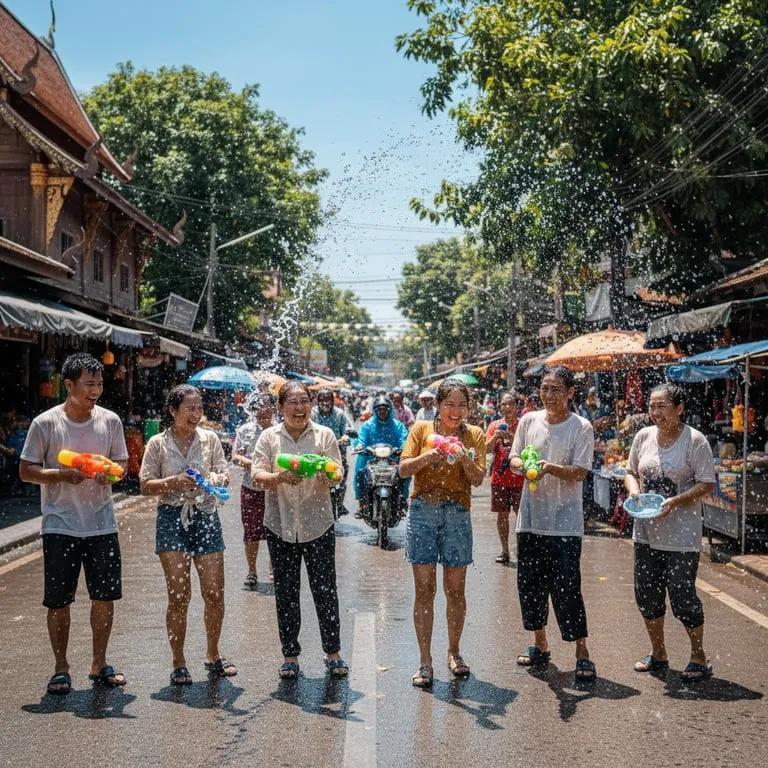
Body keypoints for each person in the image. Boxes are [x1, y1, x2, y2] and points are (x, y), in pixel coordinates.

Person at [19, 353, 128, 696]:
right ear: (69, 385)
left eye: (99, 383)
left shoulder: (110, 421)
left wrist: (108, 471)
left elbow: (122, 466)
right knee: (58, 601)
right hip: (60, 524)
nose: (96, 390)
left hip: (102, 523)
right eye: (89, 384)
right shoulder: (46, 423)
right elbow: (26, 470)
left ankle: (99, 662)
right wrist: (62, 474)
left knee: (105, 597)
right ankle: (60, 668)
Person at [139, 384, 235, 686]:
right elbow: (145, 484)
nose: (196, 414)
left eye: (199, 408)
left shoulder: (210, 440)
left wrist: (218, 478)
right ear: (173, 411)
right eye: (189, 409)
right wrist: (175, 482)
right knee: (179, 595)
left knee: (214, 592)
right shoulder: (157, 443)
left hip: (206, 516)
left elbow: (223, 473)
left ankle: (213, 653)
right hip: (171, 518)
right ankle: (179, 661)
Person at [251, 381, 348, 680]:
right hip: (279, 525)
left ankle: (333, 654)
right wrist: (280, 477)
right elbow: (257, 475)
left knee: (325, 590)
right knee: (286, 592)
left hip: (318, 524)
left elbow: (338, 472)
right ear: (281, 408)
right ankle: (290, 656)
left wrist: (326, 474)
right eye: (292, 402)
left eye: (304, 401)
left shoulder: (324, 435)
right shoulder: (269, 437)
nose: (299, 408)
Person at [509, 366, 597, 681]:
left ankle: (582, 652)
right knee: (530, 586)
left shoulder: (581, 427)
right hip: (530, 519)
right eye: (545, 388)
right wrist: (525, 465)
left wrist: (550, 468)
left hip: (565, 522)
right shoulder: (528, 420)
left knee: (567, 587)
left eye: (556, 389)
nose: (549, 395)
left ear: (570, 392)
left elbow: (581, 471)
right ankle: (540, 644)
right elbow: (514, 458)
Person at [624, 383, 716, 681]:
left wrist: (675, 501)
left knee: (683, 595)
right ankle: (659, 653)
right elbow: (630, 472)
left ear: (679, 408)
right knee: (647, 595)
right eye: (652, 406)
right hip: (646, 533)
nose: (656, 412)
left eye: (662, 406)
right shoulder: (643, 437)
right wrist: (635, 492)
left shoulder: (695, 440)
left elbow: (706, 483)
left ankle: (699, 656)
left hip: (682, 537)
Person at [398, 379, 486, 687]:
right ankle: (425, 660)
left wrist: (463, 456)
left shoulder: (474, 435)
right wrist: (428, 457)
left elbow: (477, 480)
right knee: (424, 590)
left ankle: (454, 651)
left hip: (457, 514)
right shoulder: (421, 431)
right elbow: (403, 469)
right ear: (438, 405)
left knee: (455, 591)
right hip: (422, 511)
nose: (456, 411)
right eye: (449, 404)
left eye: (462, 405)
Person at [232, 392, 276, 589]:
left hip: (275, 489)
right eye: (258, 408)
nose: (261, 412)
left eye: (265, 407)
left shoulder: (280, 431)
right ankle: (251, 570)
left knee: (275, 530)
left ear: (273, 409)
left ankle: (273, 568)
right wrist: (252, 465)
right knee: (251, 531)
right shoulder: (245, 430)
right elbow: (235, 457)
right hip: (251, 488)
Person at [485, 391, 525, 564]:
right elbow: (486, 449)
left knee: (521, 516)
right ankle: (505, 550)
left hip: (520, 479)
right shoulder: (494, 425)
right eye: (503, 404)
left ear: (516, 407)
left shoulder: (523, 425)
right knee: (502, 516)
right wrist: (495, 437)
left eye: (510, 404)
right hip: (499, 479)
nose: (506, 408)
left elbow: (529, 447)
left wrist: (512, 437)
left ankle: (522, 549)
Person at [353, 395, 410, 517]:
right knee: (359, 473)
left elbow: (403, 438)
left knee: (406, 472)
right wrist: (360, 446)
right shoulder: (367, 425)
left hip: (393, 458)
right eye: (379, 409)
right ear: (374, 410)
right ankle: (361, 504)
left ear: (390, 409)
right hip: (371, 458)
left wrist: (403, 448)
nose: (382, 411)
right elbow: (361, 439)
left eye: (385, 408)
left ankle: (404, 499)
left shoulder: (398, 425)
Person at [311, 387, 354, 517]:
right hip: (318, 452)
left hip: (338, 451)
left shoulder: (340, 414)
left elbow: (348, 429)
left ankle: (340, 504)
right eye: (322, 400)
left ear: (332, 401)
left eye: (328, 400)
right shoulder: (313, 413)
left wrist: (345, 436)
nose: (325, 403)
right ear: (318, 402)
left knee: (341, 477)